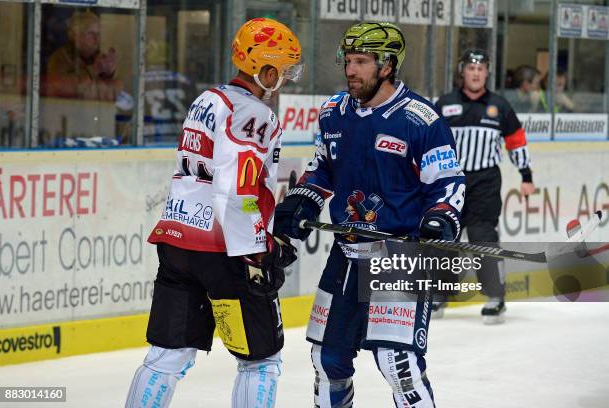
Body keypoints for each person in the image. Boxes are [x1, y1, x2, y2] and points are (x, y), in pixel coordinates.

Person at [275, 22, 465, 407]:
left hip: (397, 257)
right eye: (348, 60)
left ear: (388, 65)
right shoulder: (333, 113)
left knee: (398, 364)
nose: (350, 70)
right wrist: (303, 200)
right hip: (345, 256)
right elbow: (322, 169)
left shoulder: (421, 119)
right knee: (326, 360)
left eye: (361, 61)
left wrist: (440, 219)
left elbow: (447, 184)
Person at [124, 18, 303, 408]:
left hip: (178, 242)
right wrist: (259, 250)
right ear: (266, 70)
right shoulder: (253, 113)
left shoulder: (208, 99)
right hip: (224, 251)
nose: (286, 79)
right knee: (261, 361)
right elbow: (239, 191)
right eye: (284, 71)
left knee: (167, 357)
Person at [435, 49, 536, 324]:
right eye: (470, 68)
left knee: (483, 238)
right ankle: (439, 295)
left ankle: (495, 297)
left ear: (487, 72)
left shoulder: (500, 106)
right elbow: (427, 143)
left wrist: (526, 176)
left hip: (485, 183)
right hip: (450, 182)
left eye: (481, 69)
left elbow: (516, 143)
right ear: (462, 72)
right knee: (444, 238)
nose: (476, 73)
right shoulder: (443, 105)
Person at [46, 11, 121, 100]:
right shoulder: (59, 58)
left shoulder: (98, 56)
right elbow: (61, 88)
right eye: (91, 33)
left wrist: (108, 73)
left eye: (98, 34)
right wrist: (95, 69)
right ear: (76, 35)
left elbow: (109, 93)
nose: (96, 39)